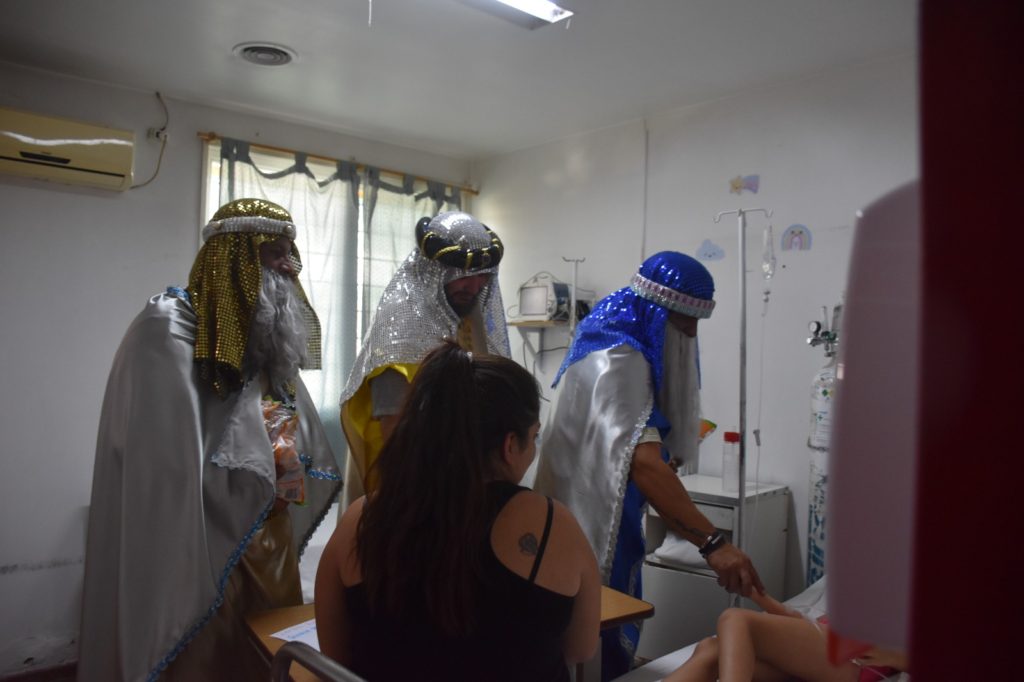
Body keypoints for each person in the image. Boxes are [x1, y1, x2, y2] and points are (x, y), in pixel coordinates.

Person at [78, 198, 343, 682]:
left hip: (266, 528)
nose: (290, 266)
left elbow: (283, 415)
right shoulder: (167, 327)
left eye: (291, 253)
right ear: (235, 258)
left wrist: (285, 464)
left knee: (265, 652)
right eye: (275, 253)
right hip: (193, 532)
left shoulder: (264, 332)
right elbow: (163, 458)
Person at [534, 251, 764, 679]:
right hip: (589, 520)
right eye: (685, 323)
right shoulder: (619, 358)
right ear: (659, 314)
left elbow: (633, 446)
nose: (692, 334)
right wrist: (714, 544)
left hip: (577, 512)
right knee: (592, 633)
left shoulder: (608, 336)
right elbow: (644, 466)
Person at [316, 341, 601, 681]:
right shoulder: (552, 524)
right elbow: (581, 649)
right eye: (533, 437)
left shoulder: (362, 519)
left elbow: (334, 655)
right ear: (510, 445)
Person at [338, 210, 509, 500]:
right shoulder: (401, 324)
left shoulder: (470, 316)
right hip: (409, 485)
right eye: (463, 275)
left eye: (482, 276)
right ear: (433, 270)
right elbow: (393, 428)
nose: (475, 286)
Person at [665, 591, 908, 682]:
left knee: (735, 618)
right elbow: (805, 629)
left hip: (855, 658)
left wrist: (893, 656)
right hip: (826, 644)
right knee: (712, 648)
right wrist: (758, 595)